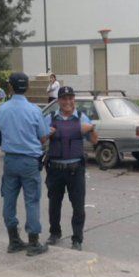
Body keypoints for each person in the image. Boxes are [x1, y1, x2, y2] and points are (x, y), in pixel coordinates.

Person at [0, 72, 50, 256]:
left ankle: (14, 240)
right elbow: (43, 137)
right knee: (32, 201)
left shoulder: (2, 109)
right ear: (27, 87)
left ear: (10, 87)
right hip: (29, 161)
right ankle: (33, 243)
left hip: (10, 160)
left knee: (9, 200)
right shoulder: (34, 110)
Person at [44, 86, 98, 251]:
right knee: (54, 204)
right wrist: (47, 133)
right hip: (55, 169)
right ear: (58, 100)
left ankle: (77, 239)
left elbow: (94, 141)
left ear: (74, 99)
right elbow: (39, 140)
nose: (67, 101)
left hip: (76, 170)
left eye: (70, 98)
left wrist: (92, 128)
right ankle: (55, 233)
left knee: (78, 206)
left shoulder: (81, 118)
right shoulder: (50, 118)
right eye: (64, 98)